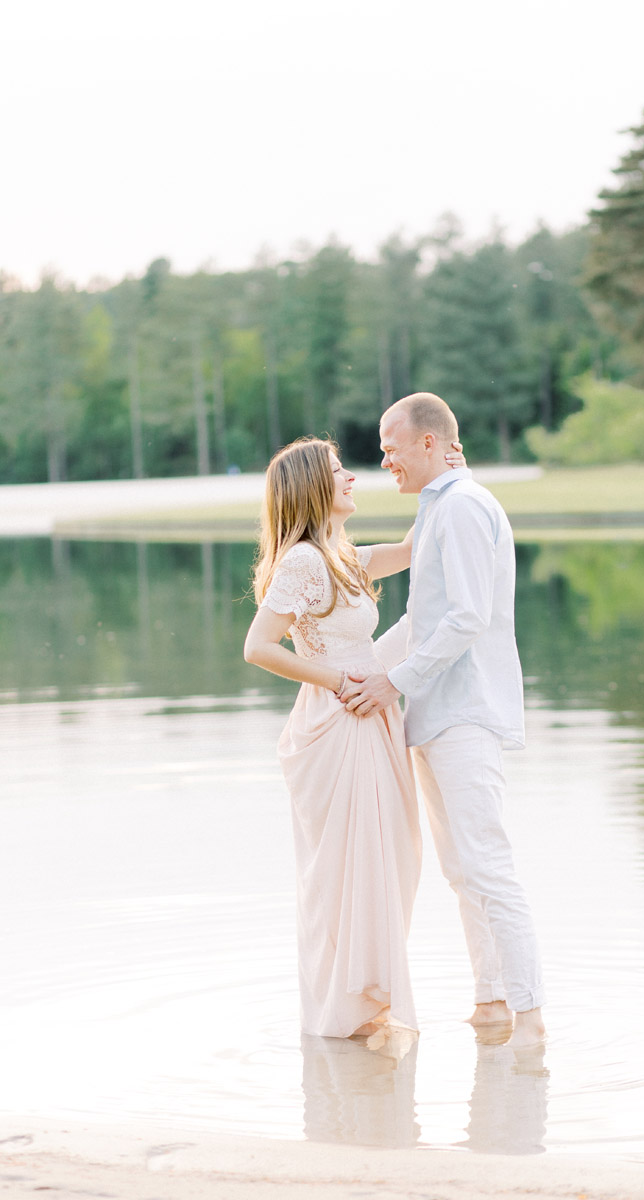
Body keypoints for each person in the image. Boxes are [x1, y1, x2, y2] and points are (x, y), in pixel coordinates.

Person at [340, 393, 546, 1047]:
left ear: (430, 442)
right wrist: (355, 678)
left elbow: (468, 617)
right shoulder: (437, 513)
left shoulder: (460, 508)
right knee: (462, 868)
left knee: (486, 864)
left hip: (464, 712)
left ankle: (532, 1018)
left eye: (390, 444)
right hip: (434, 713)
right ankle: (489, 1003)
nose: (383, 458)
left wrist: (390, 682)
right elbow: (420, 622)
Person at [243, 436, 463, 1039]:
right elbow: (257, 647)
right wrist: (340, 678)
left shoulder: (337, 556)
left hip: (372, 715)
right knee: (348, 866)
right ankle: (349, 1009)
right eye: (340, 473)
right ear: (313, 487)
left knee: (392, 855)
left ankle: (368, 997)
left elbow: (411, 550)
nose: (353, 479)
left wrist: (444, 472)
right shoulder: (303, 562)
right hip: (337, 721)